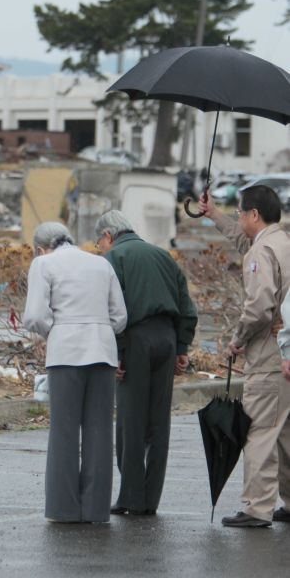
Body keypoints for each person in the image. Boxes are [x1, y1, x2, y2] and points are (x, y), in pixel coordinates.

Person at [23, 222, 127, 523]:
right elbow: (119, 316)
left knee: (64, 432)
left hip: (66, 352)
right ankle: (95, 509)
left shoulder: (43, 263)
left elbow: (34, 316)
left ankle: (64, 509)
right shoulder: (100, 263)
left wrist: (55, 331)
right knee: (99, 430)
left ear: (41, 247)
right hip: (103, 350)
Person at [94, 210, 197, 516]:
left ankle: (130, 497)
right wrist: (181, 346)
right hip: (166, 338)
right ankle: (150, 500)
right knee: (158, 421)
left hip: (135, 340)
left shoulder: (114, 259)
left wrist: (118, 354)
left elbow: (115, 311)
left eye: (99, 241)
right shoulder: (163, 256)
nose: (99, 247)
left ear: (109, 235)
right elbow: (186, 307)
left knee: (130, 420)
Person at [199, 185, 290, 528]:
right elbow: (245, 242)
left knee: (261, 429)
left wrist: (238, 339)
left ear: (254, 214)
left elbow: (260, 306)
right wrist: (215, 216)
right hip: (288, 348)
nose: (238, 218)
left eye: (239, 213)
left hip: (268, 352)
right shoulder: (282, 243)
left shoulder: (261, 251)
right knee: (286, 431)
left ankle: (257, 507)